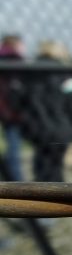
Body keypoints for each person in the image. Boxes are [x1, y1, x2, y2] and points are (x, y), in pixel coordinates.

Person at [23, 41, 72, 182]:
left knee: (42, 165)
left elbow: (28, 101)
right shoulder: (66, 77)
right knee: (55, 167)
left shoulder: (30, 74)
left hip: (37, 127)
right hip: (62, 128)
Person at [0, 35, 25, 181]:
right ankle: (16, 181)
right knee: (13, 149)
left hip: (6, 110)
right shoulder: (16, 60)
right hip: (12, 112)